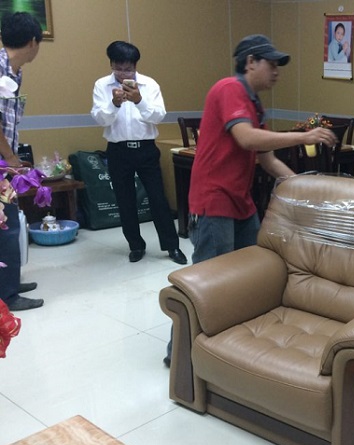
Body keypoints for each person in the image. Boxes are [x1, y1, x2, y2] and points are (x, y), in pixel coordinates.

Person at [162, 35, 337, 367]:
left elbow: (266, 158)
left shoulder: (253, 103)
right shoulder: (229, 88)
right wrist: (303, 136)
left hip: (240, 203)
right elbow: (245, 138)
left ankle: (228, 344)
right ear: (250, 62)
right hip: (214, 201)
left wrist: (301, 188)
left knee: (250, 276)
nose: (277, 71)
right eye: (271, 64)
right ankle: (179, 353)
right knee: (207, 281)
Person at [91, 41, 186, 265]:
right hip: (118, 151)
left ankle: (172, 247)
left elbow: (158, 116)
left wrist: (139, 101)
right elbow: (100, 119)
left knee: (158, 199)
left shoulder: (149, 84)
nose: (123, 74)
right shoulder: (101, 85)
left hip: (146, 149)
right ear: (111, 64)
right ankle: (136, 246)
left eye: (128, 69)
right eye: (118, 68)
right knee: (125, 201)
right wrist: (114, 104)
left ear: (135, 65)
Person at [0, 12, 44, 311]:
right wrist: (10, 157)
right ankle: (8, 295)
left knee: (9, 221)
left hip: (6, 157)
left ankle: (10, 282)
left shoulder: (14, 71)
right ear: (32, 42)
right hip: (3, 159)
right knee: (8, 225)